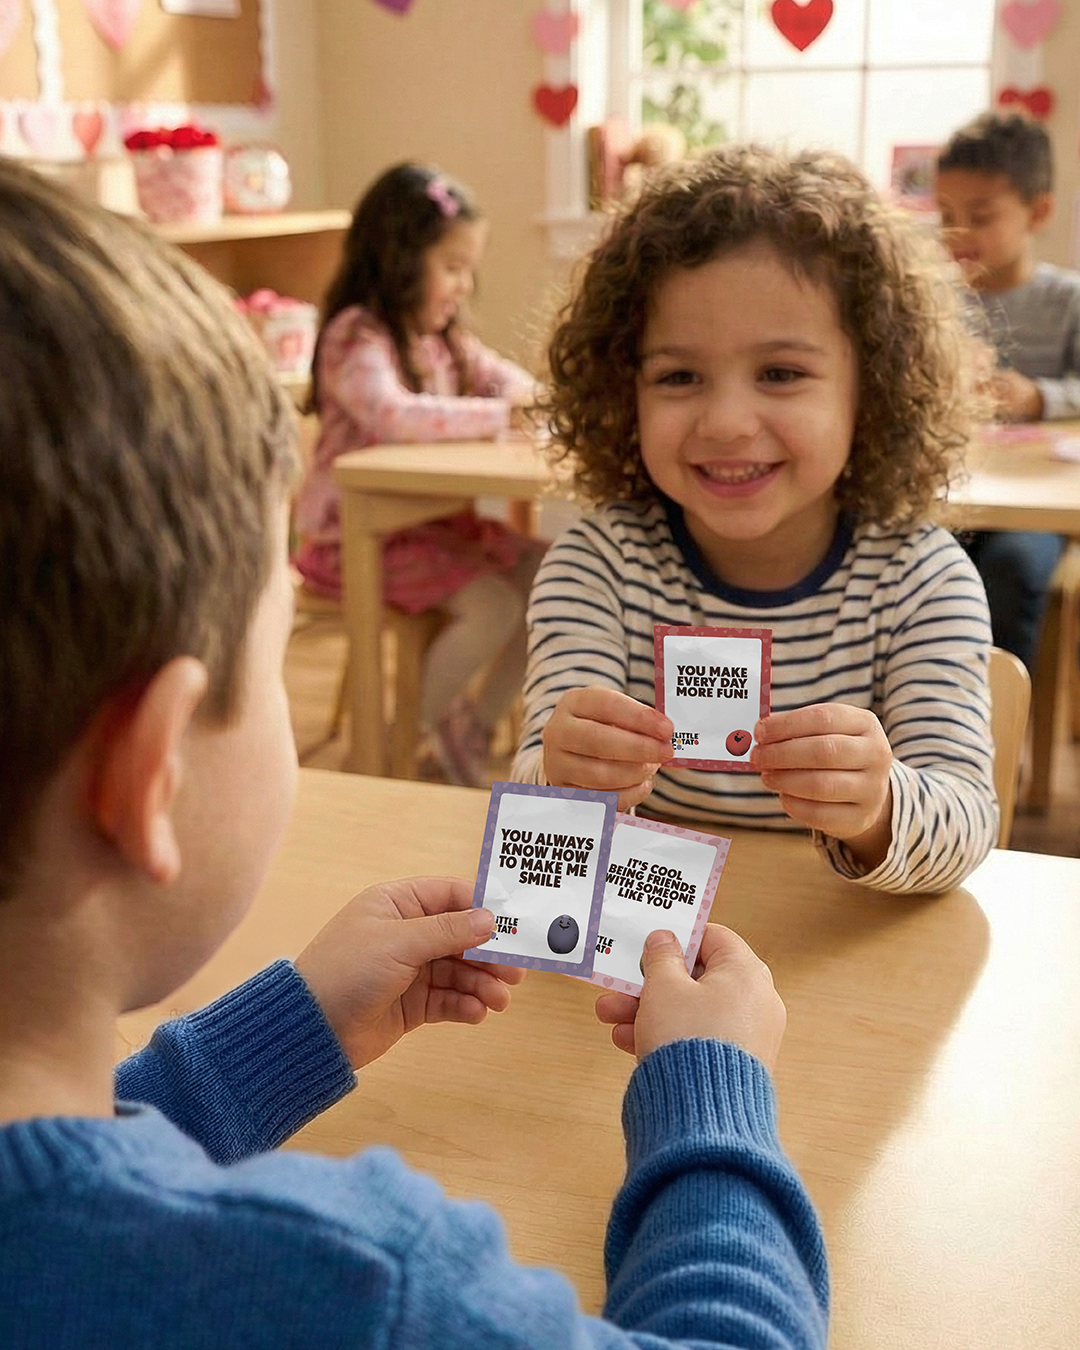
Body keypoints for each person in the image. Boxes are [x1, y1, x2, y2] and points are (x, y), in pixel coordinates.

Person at [0, 159, 829, 1349]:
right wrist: (713, 1095)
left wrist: (277, 1042)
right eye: (276, 656)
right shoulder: (359, 1284)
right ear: (150, 775)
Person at [514, 144, 997, 896]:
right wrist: (564, 776)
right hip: (648, 943)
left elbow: (966, 822)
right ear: (623, 391)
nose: (728, 422)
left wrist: (877, 808)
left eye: (780, 373)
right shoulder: (598, 566)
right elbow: (539, 813)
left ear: (872, 389)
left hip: (835, 938)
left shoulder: (920, 580)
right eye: (679, 376)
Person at [293, 161, 546, 785]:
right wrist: (502, 415)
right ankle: (402, 740)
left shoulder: (442, 340)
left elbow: (504, 379)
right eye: (453, 267)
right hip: (357, 539)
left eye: (469, 269)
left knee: (551, 579)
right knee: (492, 607)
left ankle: (471, 730)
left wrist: (535, 398)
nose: (464, 285)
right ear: (402, 261)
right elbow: (393, 415)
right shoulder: (356, 338)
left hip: (433, 528)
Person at [935, 110, 1078, 671]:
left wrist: (1039, 398)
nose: (957, 233)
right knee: (917, 560)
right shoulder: (934, 301)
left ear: (1038, 212)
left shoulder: (1067, 301)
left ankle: (999, 717)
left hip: (1033, 505)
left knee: (1013, 567)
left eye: (980, 216)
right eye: (945, 215)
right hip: (952, 492)